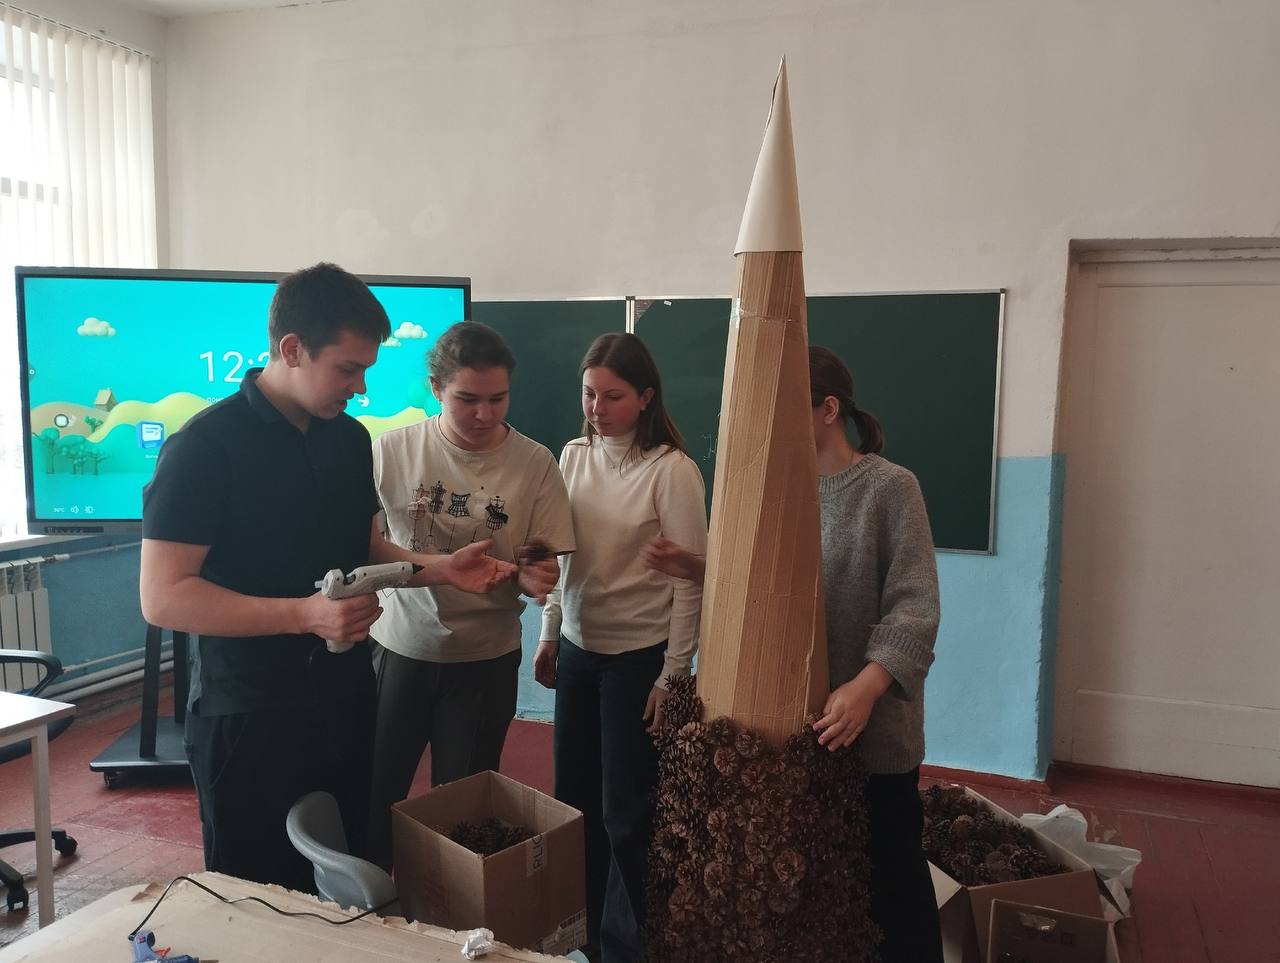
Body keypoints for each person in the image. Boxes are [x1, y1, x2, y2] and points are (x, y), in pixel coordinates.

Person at [140, 263, 515, 892]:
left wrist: (439, 569)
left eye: (365, 369)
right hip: (249, 711)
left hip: (345, 700)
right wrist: (305, 615)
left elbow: (363, 547)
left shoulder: (348, 439)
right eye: (347, 369)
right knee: (259, 894)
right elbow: (163, 596)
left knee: (350, 876)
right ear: (292, 349)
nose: (360, 387)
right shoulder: (203, 448)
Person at [642, 345, 943, 963]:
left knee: (894, 882)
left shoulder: (889, 488)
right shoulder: (772, 489)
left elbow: (915, 607)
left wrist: (866, 687)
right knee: (820, 893)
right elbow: (768, 587)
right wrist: (697, 568)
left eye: (782, 411)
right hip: (794, 734)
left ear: (828, 410)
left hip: (869, 732)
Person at [365, 321, 569, 870]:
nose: (484, 414)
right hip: (400, 647)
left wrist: (537, 576)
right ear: (436, 389)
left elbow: (541, 554)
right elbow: (368, 546)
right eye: (467, 400)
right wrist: (441, 570)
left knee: (463, 812)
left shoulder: (535, 462)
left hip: (484, 658)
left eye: (498, 399)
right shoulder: (391, 451)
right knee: (376, 792)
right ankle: (372, 905)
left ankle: (449, 912)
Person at [535, 333, 707, 963]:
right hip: (578, 650)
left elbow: (690, 580)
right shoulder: (572, 456)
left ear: (645, 398)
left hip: (638, 660)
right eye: (589, 394)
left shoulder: (671, 470)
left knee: (626, 814)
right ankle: (582, 938)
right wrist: (550, 631)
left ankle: (632, 947)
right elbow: (562, 557)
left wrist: (672, 674)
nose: (597, 408)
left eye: (612, 396)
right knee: (573, 803)